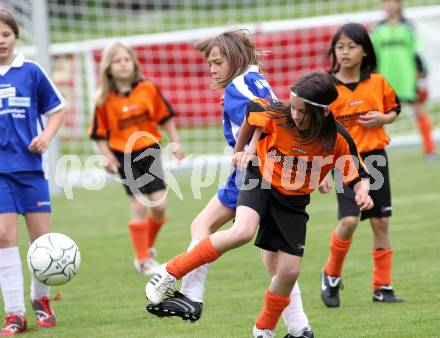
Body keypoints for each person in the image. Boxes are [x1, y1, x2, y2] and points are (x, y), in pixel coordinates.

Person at [146, 71, 373, 337]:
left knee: (289, 271)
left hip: (293, 202)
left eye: (301, 111)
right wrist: (242, 149)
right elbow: (253, 113)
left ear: (322, 113)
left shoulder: (336, 137)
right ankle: (170, 271)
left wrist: (362, 192)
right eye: (293, 106)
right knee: (242, 230)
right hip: (259, 180)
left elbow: (358, 172)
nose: (294, 114)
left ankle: (264, 328)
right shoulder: (279, 113)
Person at [146, 29, 314, 338]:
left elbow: (264, 114)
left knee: (225, 232)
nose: (211, 69)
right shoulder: (254, 78)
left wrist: (247, 150)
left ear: (234, 60)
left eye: (217, 62)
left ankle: (189, 291)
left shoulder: (238, 86)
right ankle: (299, 326)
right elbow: (274, 112)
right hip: (269, 167)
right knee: (268, 256)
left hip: (257, 170)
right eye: (209, 62)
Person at [319, 22, 404, 308]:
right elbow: (319, 132)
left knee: (380, 222)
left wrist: (383, 119)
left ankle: (382, 286)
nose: (344, 52)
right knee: (349, 221)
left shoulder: (378, 82)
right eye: (339, 47)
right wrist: (320, 170)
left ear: (365, 51)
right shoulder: (328, 87)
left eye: (351, 46)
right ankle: (330, 275)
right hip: (346, 161)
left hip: (376, 158)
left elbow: (394, 109)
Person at [88, 41, 185, 275]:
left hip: (149, 150)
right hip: (123, 154)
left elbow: (165, 117)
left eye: (126, 60)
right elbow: (98, 133)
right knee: (140, 205)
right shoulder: (103, 98)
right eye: (117, 61)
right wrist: (106, 156)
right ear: (108, 68)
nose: (123, 64)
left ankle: (147, 247)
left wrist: (175, 141)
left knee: (159, 205)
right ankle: (142, 260)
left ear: (133, 63)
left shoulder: (147, 88)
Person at [0, 6, 65, 336]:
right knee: (2, 236)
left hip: (29, 170)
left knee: (42, 242)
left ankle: (41, 300)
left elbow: (57, 109)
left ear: (15, 36)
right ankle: (14, 314)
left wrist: (46, 136)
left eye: (5, 34)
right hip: (0, 173)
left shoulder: (31, 72)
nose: (0, 41)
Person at [371, 0, 437, 160]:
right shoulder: (377, 29)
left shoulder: (409, 27)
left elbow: (419, 52)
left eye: (392, 2)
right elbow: (372, 56)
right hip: (385, 81)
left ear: (399, 4)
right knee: (376, 116)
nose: (388, 5)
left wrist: (421, 76)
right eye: (384, 2)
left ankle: (430, 150)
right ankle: (373, 151)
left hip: (408, 80)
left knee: (419, 111)